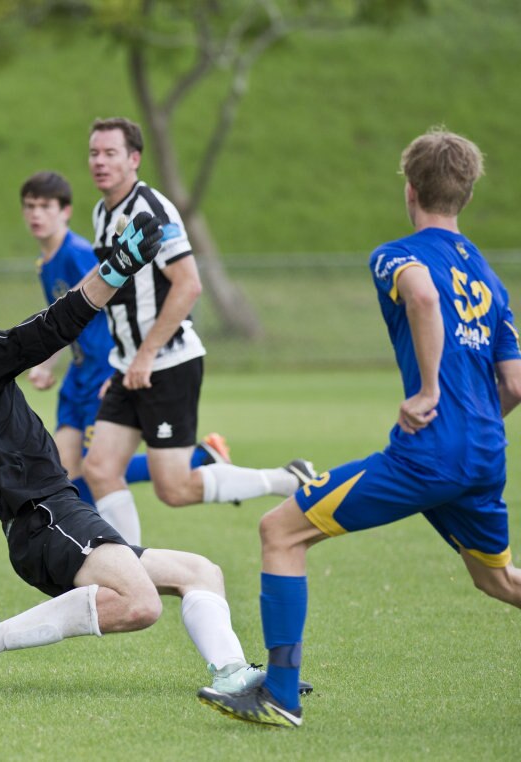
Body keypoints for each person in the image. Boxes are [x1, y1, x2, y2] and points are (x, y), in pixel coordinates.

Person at [0, 215, 312, 698]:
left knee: (200, 573)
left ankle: (233, 672)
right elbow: (47, 329)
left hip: (43, 522)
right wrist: (117, 267)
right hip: (46, 518)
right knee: (140, 605)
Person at [197, 128, 521, 729]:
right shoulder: (489, 279)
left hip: (431, 455)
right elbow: (516, 384)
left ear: (410, 190)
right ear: (467, 194)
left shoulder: (397, 255)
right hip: (485, 451)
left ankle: (281, 696)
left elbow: (422, 298)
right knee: (498, 580)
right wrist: (467, 427)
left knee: (280, 531)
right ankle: (279, 688)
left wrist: (428, 393)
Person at [81, 118, 315, 545]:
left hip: (166, 362)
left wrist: (147, 354)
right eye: (94, 153)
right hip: (131, 365)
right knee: (98, 468)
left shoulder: (151, 209)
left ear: (134, 159)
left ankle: (287, 480)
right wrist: (120, 364)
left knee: (174, 489)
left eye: (110, 153)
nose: (99, 161)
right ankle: (131, 565)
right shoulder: (102, 213)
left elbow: (189, 284)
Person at [20, 170, 233, 507]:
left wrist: (116, 368)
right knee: (65, 466)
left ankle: (198, 460)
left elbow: (108, 299)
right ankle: (95, 545)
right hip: (78, 375)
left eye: (45, 206)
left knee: (97, 467)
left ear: (65, 211)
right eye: (30, 206)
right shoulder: (44, 263)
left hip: (101, 368)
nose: (35, 214)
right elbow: (63, 321)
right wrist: (47, 363)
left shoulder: (76, 253)